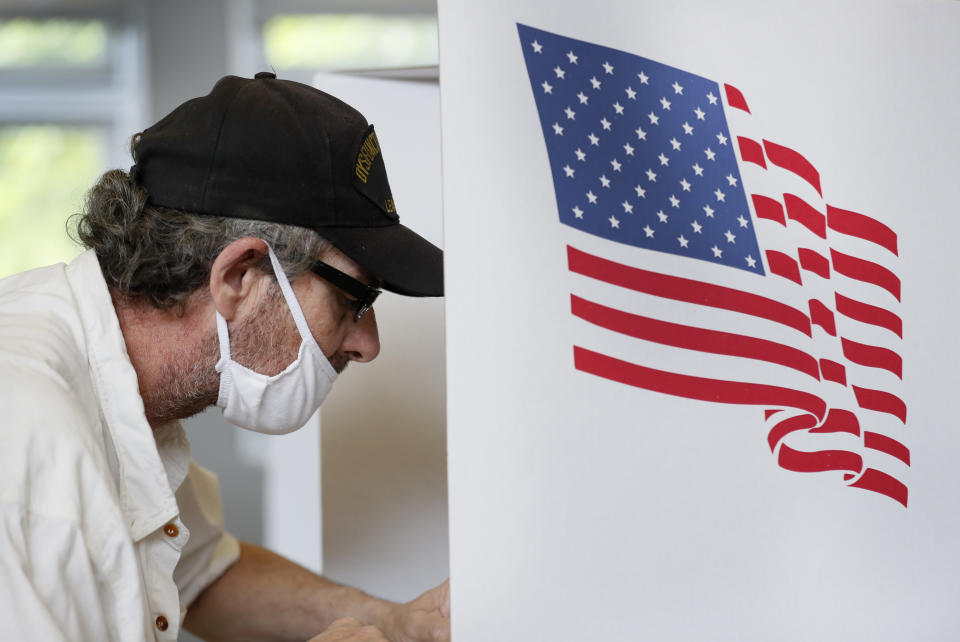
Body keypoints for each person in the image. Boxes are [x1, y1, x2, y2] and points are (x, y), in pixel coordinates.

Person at [0, 72, 449, 642]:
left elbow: (203, 576)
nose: (368, 342)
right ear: (239, 277)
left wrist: (399, 624)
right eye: (352, 297)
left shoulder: (124, 393)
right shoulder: (29, 453)